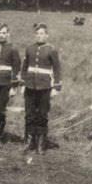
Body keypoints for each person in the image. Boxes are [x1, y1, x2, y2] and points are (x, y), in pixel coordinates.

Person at [20, 23, 62, 155]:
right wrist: (22, 84)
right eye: (37, 34)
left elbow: (57, 69)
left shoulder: (51, 50)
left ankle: (40, 144)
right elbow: (24, 67)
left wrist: (56, 87)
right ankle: (29, 142)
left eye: (42, 34)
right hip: (30, 86)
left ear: (47, 35)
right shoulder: (29, 49)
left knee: (42, 115)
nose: (39, 36)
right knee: (29, 115)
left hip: (45, 87)